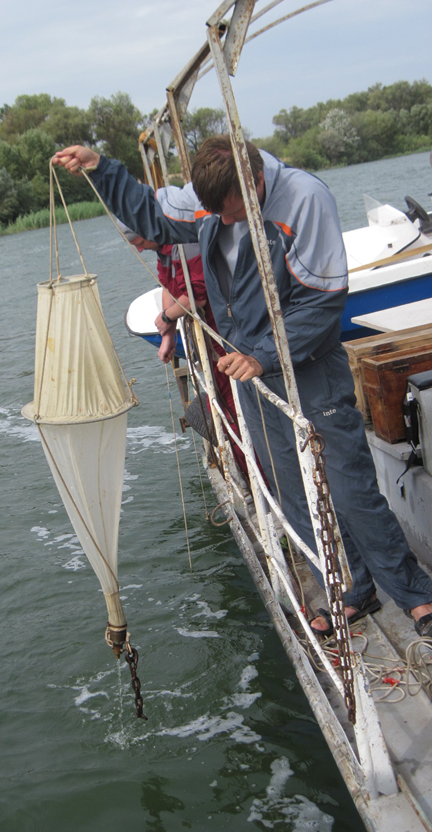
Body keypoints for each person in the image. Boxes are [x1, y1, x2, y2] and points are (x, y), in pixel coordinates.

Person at [53, 138, 432, 639]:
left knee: (348, 485)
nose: (222, 223)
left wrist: (264, 355)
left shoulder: (304, 199)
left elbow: (322, 301)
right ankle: (348, 590)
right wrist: (101, 169)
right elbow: (151, 215)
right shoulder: (212, 202)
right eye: (213, 213)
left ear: (253, 186)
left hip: (309, 367)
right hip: (248, 372)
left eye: (230, 212)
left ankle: (414, 595)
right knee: (289, 488)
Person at [117, 220, 248, 474]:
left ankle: (257, 471)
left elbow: (196, 295)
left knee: (235, 406)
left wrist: (167, 318)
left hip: (223, 335)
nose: (140, 250)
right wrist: (168, 334)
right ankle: (244, 467)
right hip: (208, 347)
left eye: (140, 243)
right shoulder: (162, 250)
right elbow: (168, 286)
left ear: (150, 230)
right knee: (218, 405)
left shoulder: (184, 242)